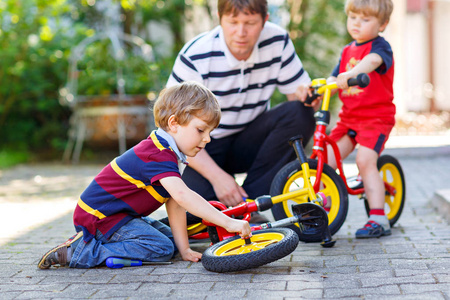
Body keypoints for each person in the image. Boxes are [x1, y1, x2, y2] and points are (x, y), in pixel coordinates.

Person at [38, 81, 251, 269]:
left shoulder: (170, 152)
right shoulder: (156, 154)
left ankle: (99, 245)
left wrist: (184, 249)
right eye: (201, 130)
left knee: (172, 242)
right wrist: (228, 222)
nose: (207, 139)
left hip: (119, 216)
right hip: (100, 218)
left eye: (209, 133)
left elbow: (176, 203)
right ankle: (81, 252)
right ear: (174, 123)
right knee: (161, 248)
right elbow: (184, 196)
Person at [166, 0, 316, 222]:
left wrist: (320, 174)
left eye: (250, 22)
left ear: (265, 20)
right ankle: (230, 211)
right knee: (193, 212)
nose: (241, 32)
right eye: (233, 22)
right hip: (202, 148)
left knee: (300, 112)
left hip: (250, 141)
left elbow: (300, 102)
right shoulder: (196, 54)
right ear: (220, 18)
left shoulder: (277, 40)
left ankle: (249, 205)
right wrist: (218, 178)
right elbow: (173, 131)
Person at [323, 0, 395, 238]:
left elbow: (372, 62)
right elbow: (332, 81)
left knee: (365, 161)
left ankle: (378, 218)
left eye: (365, 19)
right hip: (349, 119)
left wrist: (353, 73)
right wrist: (316, 91)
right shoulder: (346, 51)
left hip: (376, 118)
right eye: (353, 17)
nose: (357, 23)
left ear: (382, 24)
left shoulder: (381, 48)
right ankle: (322, 201)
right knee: (326, 157)